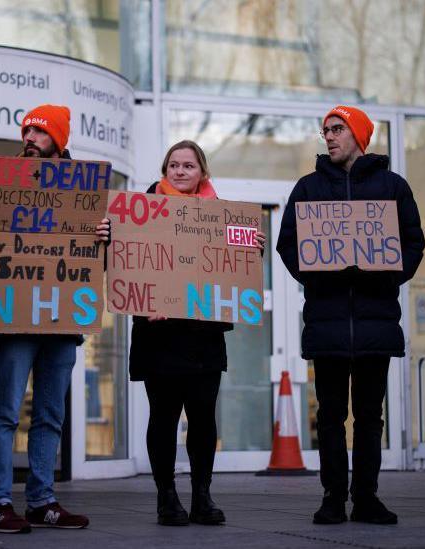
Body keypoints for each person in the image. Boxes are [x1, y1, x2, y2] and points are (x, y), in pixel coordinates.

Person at [276, 106, 425, 526]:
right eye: (325, 130)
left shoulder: (393, 187)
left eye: (337, 129)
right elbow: (288, 244)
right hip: (327, 321)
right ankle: (331, 497)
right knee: (329, 417)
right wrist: (315, 272)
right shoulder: (307, 188)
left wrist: (387, 272)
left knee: (369, 417)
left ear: (359, 134)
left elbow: (414, 244)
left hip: (376, 318)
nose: (329, 136)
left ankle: (366, 498)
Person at [0, 105, 110, 534]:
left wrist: (104, 237)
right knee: (4, 413)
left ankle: (41, 500)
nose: (30, 136)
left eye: (41, 131)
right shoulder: (2, 185)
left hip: (61, 322)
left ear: (60, 140)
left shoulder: (83, 194)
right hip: (15, 319)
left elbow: (92, 259)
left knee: (50, 414)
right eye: (27, 130)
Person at [129, 140, 265, 526]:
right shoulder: (141, 211)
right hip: (160, 336)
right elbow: (127, 261)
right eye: (173, 165)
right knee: (164, 417)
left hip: (203, 338)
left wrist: (251, 246)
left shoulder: (222, 215)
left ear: (202, 172)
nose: (180, 171)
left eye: (188, 165)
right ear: (164, 170)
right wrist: (110, 236)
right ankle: (166, 497)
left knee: (203, 418)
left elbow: (236, 262)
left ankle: (202, 496)